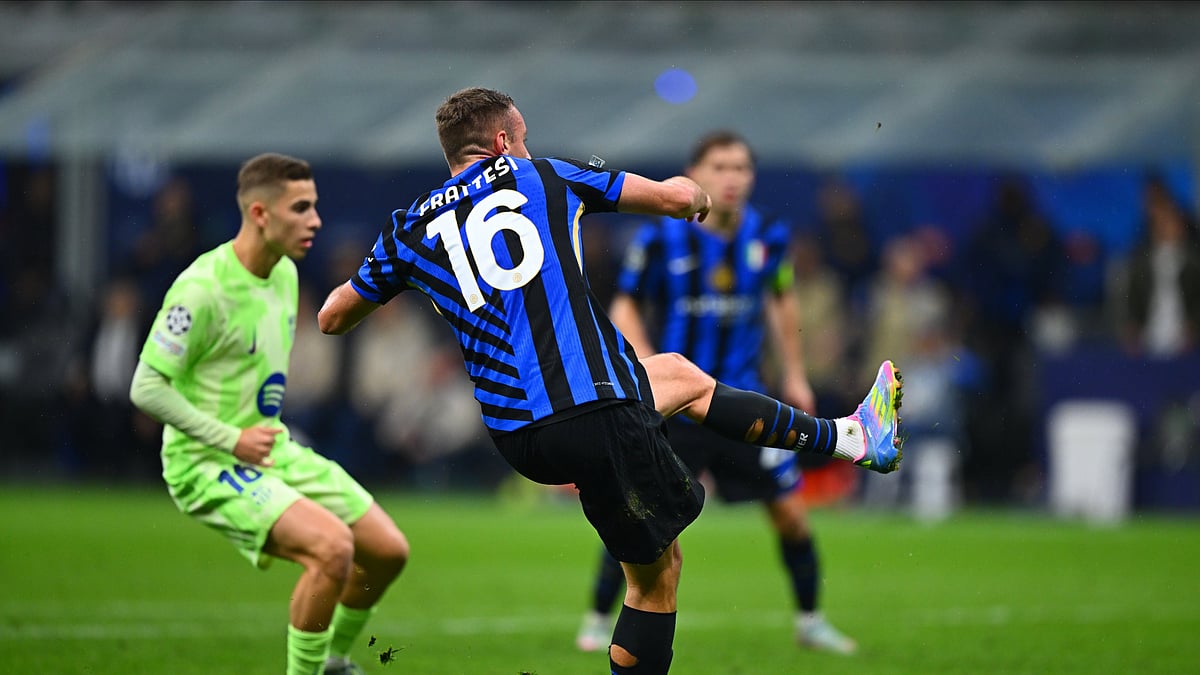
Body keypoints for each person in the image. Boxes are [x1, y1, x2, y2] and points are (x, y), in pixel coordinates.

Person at [317, 87, 903, 674]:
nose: (528, 147)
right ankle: (853, 440)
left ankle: (849, 435)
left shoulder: (407, 228)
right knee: (656, 579)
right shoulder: (545, 176)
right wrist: (697, 195)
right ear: (502, 143)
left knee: (676, 376)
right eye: (522, 137)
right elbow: (674, 200)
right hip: (595, 409)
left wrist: (410, 283)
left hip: (518, 434)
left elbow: (333, 317)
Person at [574, 130, 857, 656]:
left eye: (742, 168)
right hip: (678, 409)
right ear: (696, 173)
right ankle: (594, 619)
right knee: (642, 517)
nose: (732, 178)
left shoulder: (769, 235)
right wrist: (640, 366)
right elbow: (627, 306)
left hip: (741, 406)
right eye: (721, 167)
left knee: (791, 514)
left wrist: (794, 374)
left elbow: (781, 300)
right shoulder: (660, 239)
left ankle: (811, 621)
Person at [129, 153, 409, 675]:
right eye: (301, 208)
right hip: (206, 461)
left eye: (315, 207)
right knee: (332, 549)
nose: (316, 221)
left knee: (388, 551)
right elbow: (146, 386)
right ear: (260, 214)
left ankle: (334, 662)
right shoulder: (202, 287)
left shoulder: (283, 275)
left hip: (269, 448)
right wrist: (229, 439)